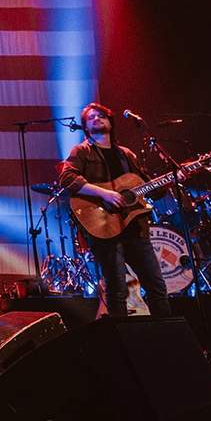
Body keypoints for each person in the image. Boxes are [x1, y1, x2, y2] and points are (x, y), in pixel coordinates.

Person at [57, 102, 173, 318]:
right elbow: (67, 178)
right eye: (91, 117)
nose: (97, 119)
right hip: (105, 229)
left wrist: (171, 179)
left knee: (156, 286)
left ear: (110, 121)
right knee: (117, 289)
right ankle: (121, 341)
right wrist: (105, 194)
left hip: (135, 228)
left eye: (101, 115)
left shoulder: (127, 155)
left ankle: (165, 339)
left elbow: (149, 189)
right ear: (85, 127)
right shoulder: (81, 151)